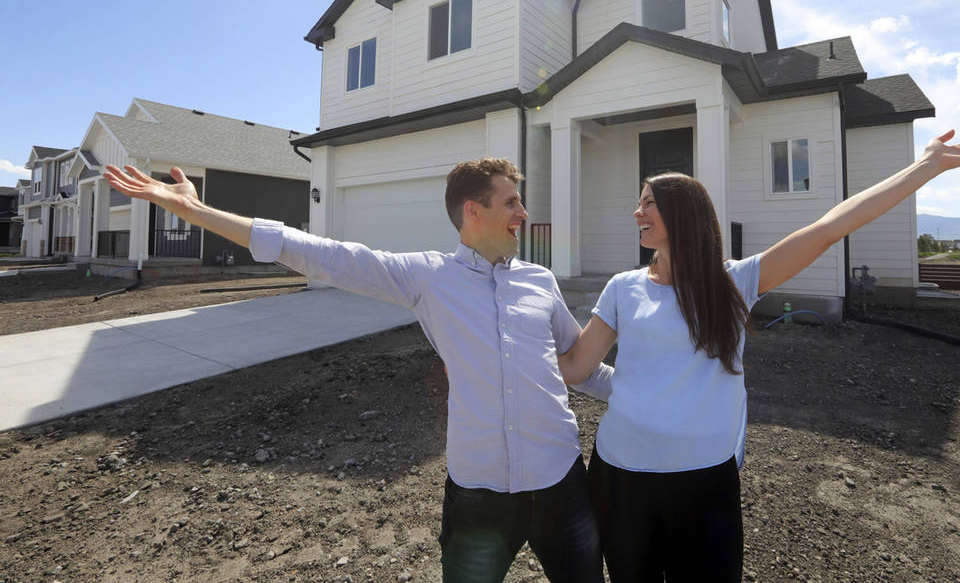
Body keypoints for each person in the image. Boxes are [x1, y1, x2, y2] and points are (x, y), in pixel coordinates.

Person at [104, 157, 612, 583]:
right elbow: (321, 255)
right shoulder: (429, 277)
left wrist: (648, 392)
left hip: (560, 482)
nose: (524, 213)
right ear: (472, 211)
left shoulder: (540, 281)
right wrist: (195, 211)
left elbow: (576, 366)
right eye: (512, 203)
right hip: (478, 493)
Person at [556, 128, 960, 581]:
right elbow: (576, 367)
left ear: (682, 211)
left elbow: (830, 228)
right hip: (622, 474)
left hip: (705, 477)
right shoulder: (622, 287)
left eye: (648, 202)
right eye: (639, 202)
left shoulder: (734, 281)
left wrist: (926, 166)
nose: (637, 213)